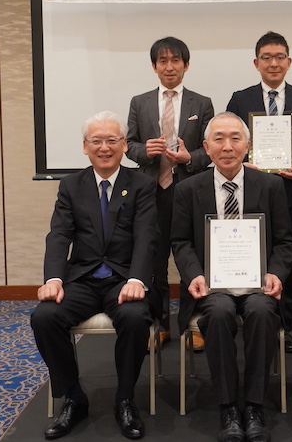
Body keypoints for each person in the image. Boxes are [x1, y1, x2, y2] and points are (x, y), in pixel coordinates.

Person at [30, 111, 159, 440]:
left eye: (112, 140)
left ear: (124, 145)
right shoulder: (71, 185)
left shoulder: (142, 184)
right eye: (97, 141)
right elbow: (59, 234)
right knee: (44, 317)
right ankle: (74, 397)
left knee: (134, 318)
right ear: (85, 147)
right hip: (83, 279)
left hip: (124, 280)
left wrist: (137, 279)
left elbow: (147, 236)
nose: (105, 147)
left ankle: (125, 398)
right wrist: (54, 278)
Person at [171, 112, 292, 442]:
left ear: (248, 145)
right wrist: (194, 275)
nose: (227, 146)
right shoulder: (187, 189)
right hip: (212, 285)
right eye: (219, 139)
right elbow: (180, 241)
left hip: (257, 283)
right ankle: (228, 406)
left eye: (235, 138)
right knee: (219, 313)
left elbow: (285, 241)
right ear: (206, 147)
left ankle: (253, 406)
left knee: (262, 311)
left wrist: (275, 273)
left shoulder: (271, 186)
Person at [226, 31, 292, 353]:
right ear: (256, 63)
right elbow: (229, 136)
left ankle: (287, 325)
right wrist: (243, 161)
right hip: (251, 190)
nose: (273, 63)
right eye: (267, 57)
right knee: (257, 251)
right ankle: (258, 320)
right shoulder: (240, 99)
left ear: (289, 61)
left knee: (290, 257)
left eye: (279, 57)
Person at [126, 36, 214, 351]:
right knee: (155, 261)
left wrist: (190, 158)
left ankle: (193, 325)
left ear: (186, 65)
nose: (169, 67)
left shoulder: (201, 103)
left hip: (189, 191)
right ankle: (160, 324)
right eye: (162, 61)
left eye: (175, 60)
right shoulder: (139, 102)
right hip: (152, 191)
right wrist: (144, 151)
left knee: (194, 259)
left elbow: (210, 149)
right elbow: (129, 145)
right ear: (154, 66)